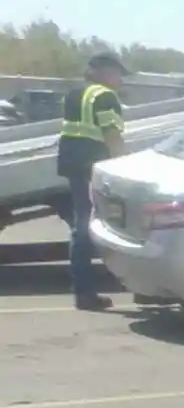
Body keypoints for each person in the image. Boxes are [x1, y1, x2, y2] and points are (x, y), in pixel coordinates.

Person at [55, 53, 127, 311]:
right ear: (104, 71)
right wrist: (125, 169)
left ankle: (83, 292)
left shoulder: (74, 93)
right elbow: (111, 135)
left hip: (74, 165)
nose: (120, 80)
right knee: (95, 227)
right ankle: (86, 293)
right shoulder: (104, 96)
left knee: (81, 224)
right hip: (93, 166)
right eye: (118, 74)